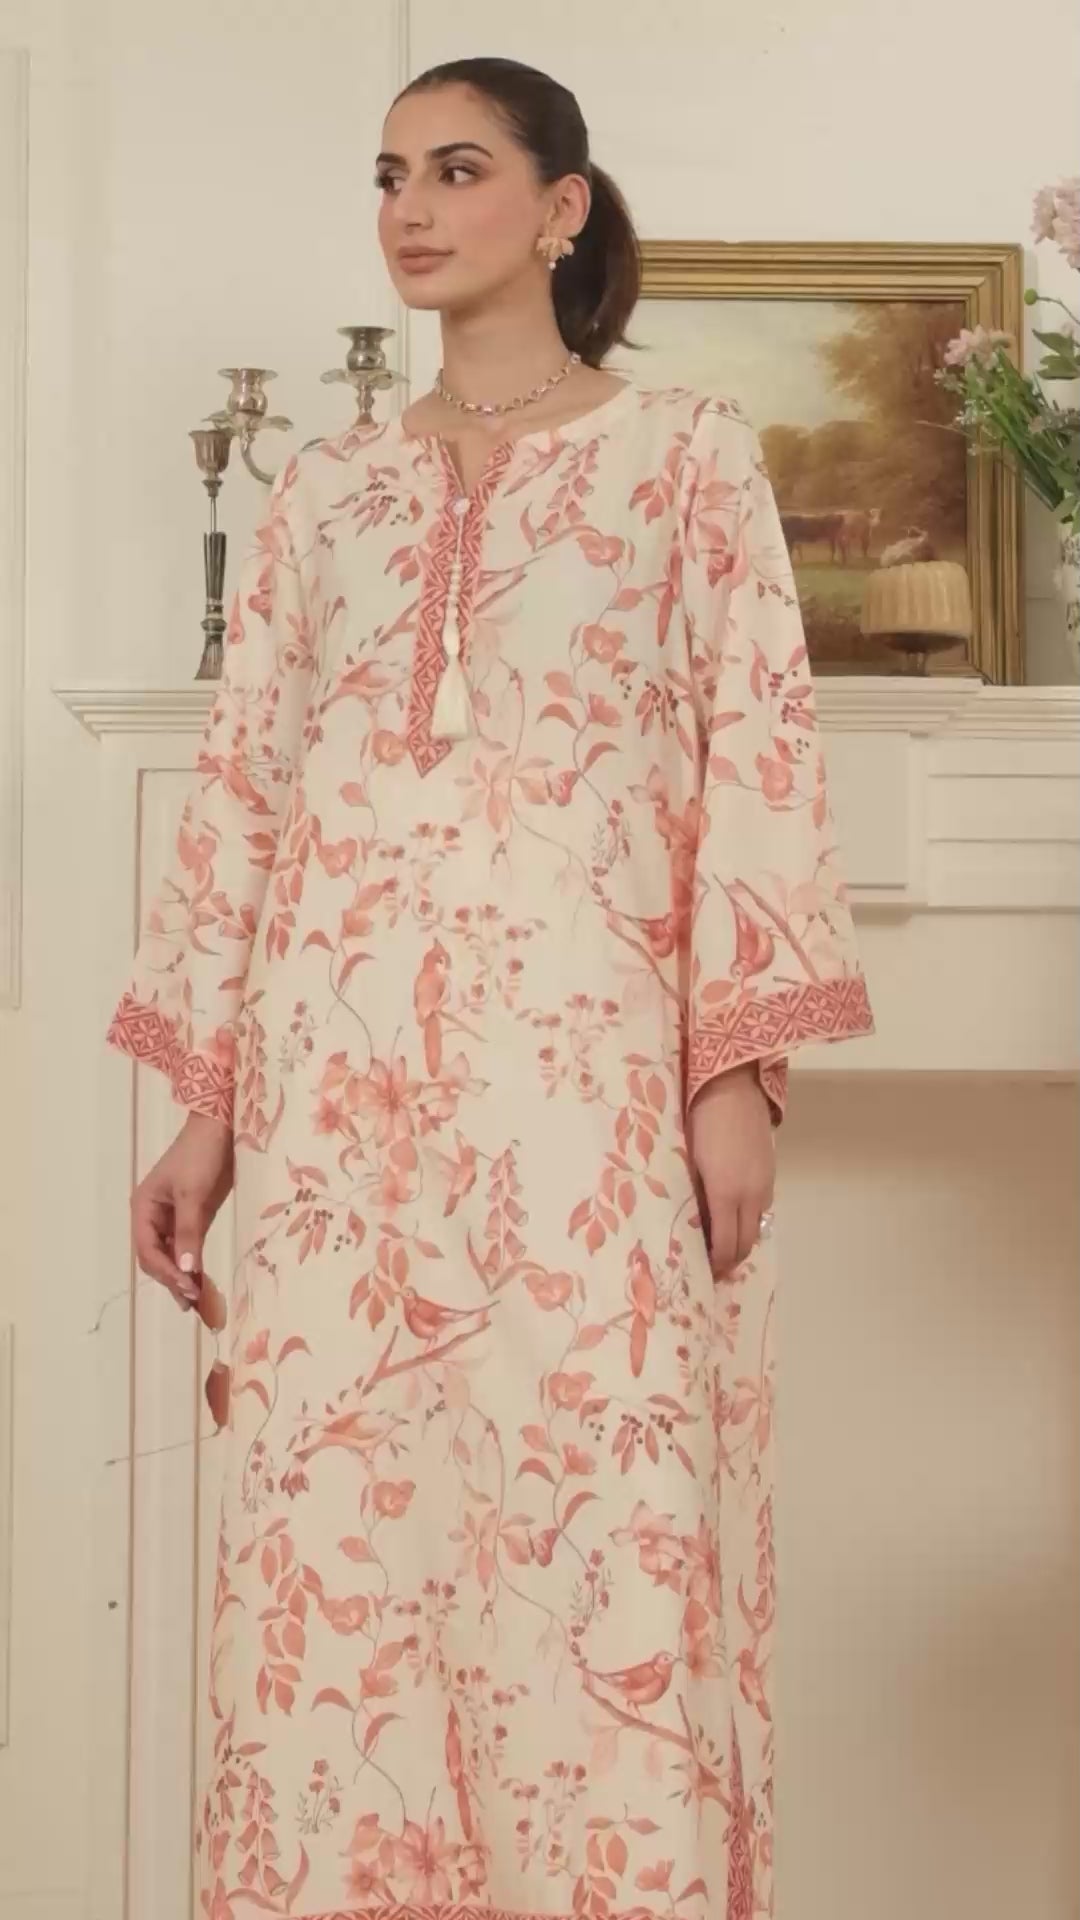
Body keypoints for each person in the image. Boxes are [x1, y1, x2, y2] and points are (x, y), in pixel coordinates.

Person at [108, 54, 872, 1920]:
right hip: (339, 1105)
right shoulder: (325, 493)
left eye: (457, 171)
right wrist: (205, 1109)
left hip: (584, 1086)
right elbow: (251, 788)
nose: (412, 210)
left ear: (562, 207)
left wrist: (731, 1074)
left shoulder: (686, 455)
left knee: (603, 1512)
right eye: (390, 177)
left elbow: (757, 750)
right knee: (344, 1529)